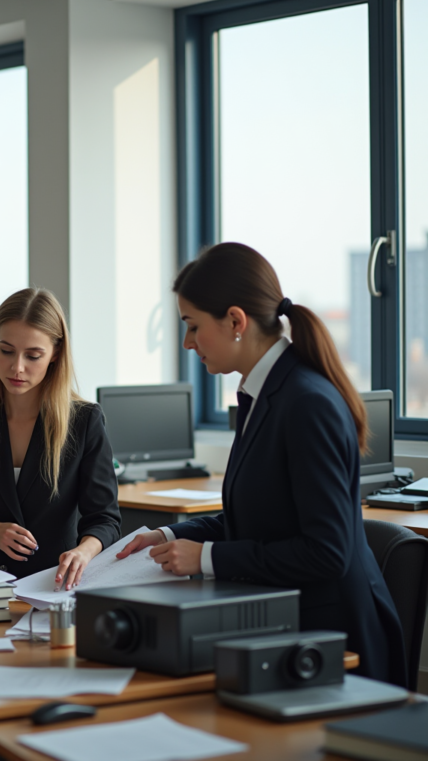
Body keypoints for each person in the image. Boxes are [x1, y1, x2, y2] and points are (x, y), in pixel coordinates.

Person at [118, 242, 407, 687]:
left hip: (335, 643)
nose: (187, 342)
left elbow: (325, 552)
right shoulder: (262, 395)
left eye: (193, 326)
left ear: (236, 321)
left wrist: (207, 557)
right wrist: (170, 533)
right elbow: (256, 520)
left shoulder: (306, 402)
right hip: (288, 627)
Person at [0, 287, 121, 590]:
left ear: (55, 354)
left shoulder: (84, 421)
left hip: (51, 584)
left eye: (33, 356)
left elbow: (105, 519)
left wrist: (83, 551)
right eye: (6, 351)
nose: (17, 367)